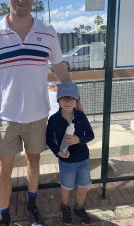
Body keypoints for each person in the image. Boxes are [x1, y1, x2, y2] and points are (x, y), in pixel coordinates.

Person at [0, 0, 83, 225]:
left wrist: (77, 103)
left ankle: (32, 204)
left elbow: (60, 70)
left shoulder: (48, 32)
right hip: (4, 118)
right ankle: (4, 217)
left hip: (38, 116)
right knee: (3, 171)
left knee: (34, 163)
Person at [46, 82, 94, 226]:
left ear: (76, 101)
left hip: (83, 159)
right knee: (66, 187)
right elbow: (48, 139)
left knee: (83, 187)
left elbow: (90, 135)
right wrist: (59, 152)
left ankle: (79, 207)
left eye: (71, 98)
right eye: (64, 98)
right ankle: (65, 207)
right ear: (58, 101)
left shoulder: (80, 116)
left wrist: (78, 139)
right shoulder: (54, 119)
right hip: (66, 161)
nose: (68, 102)